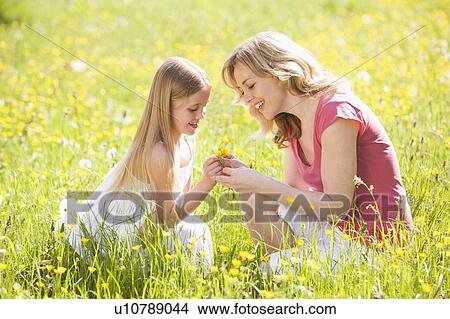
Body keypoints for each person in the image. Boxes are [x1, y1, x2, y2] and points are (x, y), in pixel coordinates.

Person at [218, 31, 413, 271]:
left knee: (273, 267)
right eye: (241, 91)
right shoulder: (292, 122)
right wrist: (246, 180)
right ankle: (287, 263)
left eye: (250, 86)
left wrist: (258, 181)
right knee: (255, 199)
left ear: (278, 73)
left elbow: (337, 206)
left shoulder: (336, 112)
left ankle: (284, 268)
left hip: (373, 244)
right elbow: (291, 194)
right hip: (337, 230)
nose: (246, 99)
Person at [58, 57, 222, 267]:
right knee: (193, 231)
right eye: (193, 109)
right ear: (166, 105)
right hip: (124, 227)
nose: (201, 115)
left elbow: (180, 200)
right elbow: (165, 220)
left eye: (204, 106)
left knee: (190, 231)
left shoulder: (188, 138)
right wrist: (207, 183)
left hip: (152, 224)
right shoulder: (158, 153)